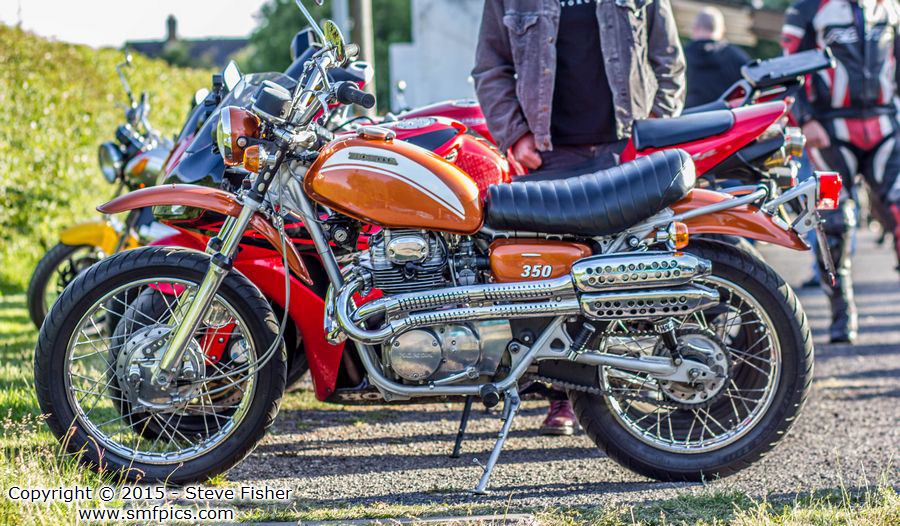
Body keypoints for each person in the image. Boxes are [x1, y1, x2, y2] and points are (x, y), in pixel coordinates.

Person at [473, 0, 685, 434]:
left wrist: (656, 129)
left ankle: (621, 395)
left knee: (620, 279)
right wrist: (515, 134)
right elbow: (490, 67)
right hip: (548, 157)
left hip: (626, 151)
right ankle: (563, 398)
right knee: (552, 286)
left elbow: (669, 61)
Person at [782, 0, 900, 343]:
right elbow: (787, 71)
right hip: (830, 132)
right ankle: (841, 314)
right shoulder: (807, 8)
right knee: (834, 224)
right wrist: (805, 120)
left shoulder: (890, 8)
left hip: (885, 127)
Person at [685, 7, 751, 108]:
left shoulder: (681, 56)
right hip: (724, 115)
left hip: (688, 115)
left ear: (695, 28)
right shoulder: (737, 57)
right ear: (722, 30)